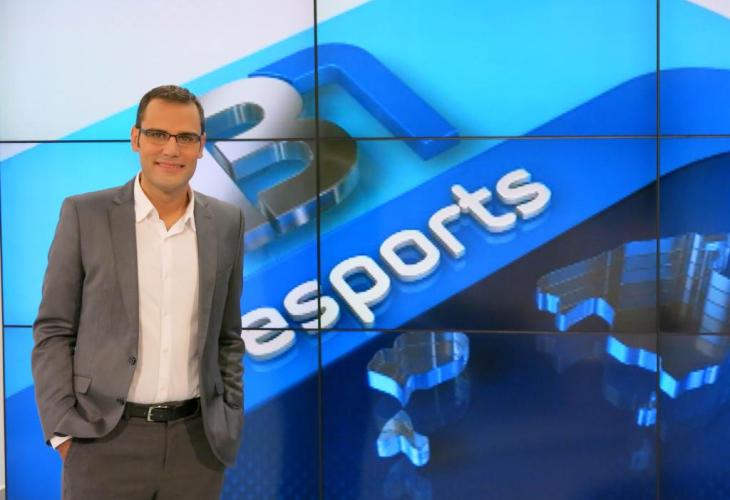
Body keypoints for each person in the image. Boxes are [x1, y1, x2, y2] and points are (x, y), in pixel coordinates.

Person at [31, 85, 246, 499]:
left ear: (201, 145)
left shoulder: (226, 222)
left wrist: (229, 416)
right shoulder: (85, 214)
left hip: (197, 447)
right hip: (102, 441)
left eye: (186, 137)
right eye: (158, 134)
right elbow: (54, 329)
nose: (172, 149)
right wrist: (64, 432)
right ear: (136, 139)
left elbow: (228, 336)